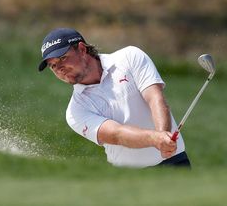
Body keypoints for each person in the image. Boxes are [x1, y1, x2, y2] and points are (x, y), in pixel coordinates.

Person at [38, 28, 191, 168]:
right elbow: (117, 134)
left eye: (63, 58)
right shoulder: (75, 111)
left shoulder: (130, 57)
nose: (59, 69)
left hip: (175, 164)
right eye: (53, 66)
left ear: (82, 49)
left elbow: (154, 98)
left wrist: (163, 136)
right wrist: (157, 139)